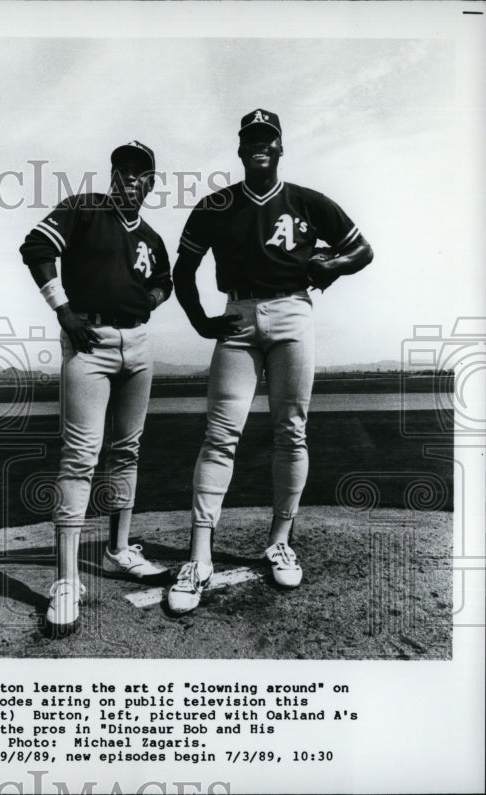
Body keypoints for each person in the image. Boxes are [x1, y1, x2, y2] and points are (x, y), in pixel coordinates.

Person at [168, 109, 374, 614]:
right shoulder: (218, 204)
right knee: (220, 434)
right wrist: (199, 321)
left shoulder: (308, 201)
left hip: (292, 312)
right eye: (250, 140)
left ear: (280, 147)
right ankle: (199, 556)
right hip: (237, 315)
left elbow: (363, 251)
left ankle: (281, 539)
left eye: (268, 139)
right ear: (240, 150)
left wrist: (332, 265)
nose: (259, 146)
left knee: (292, 430)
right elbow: (184, 268)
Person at [19, 141, 173, 636]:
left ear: (151, 181)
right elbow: (36, 248)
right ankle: (65, 580)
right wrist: (63, 311)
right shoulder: (85, 208)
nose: (131, 179)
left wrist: (155, 294)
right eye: (123, 170)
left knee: (127, 450)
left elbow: (165, 281)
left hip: (139, 344)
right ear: (113, 174)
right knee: (81, 455)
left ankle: (118, 550)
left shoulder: (150, 235)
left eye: (140, 173)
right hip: (90, 340)